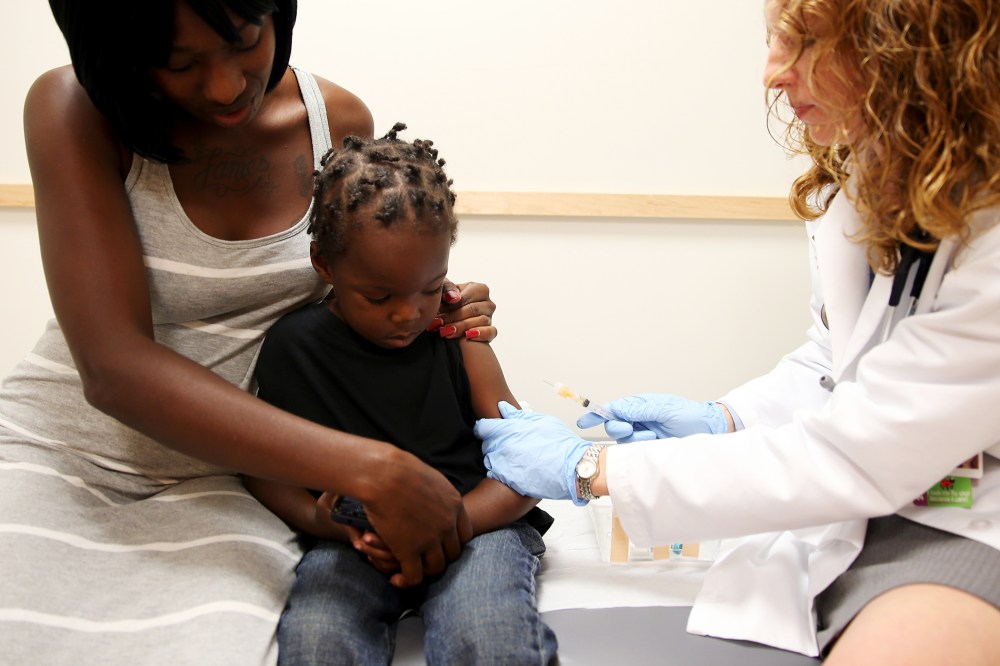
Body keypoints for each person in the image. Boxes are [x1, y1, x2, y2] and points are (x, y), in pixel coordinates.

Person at [475, 0, 1000, 663]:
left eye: (806, 42)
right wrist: (727, 418)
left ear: (914, 56)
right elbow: (840, 360)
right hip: (888, 490)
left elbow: (861, 451)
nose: (772, 74)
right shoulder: (869, 182)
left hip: (968, 509)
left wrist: (592, 468)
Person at [0, 1, 501, 663]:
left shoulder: (337, 122)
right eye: (180, 64)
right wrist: (372, 468)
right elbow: (113, 367)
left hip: (238, 481)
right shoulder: (73, 109)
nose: (226, 86)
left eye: (245, 42)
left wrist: (432, 296)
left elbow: (349, 278)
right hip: (60, 458)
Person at [243, 125, 558, 665]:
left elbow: (524, 466)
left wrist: (448, 525)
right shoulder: (293, 349)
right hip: (354, 542)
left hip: (475, 528)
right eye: (380, 295)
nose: (410, 312)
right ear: (325, 265)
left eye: (430, 288)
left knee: (488, 634)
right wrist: (329, 525)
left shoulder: (455, 333)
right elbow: (265, 474)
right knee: (319, 639)